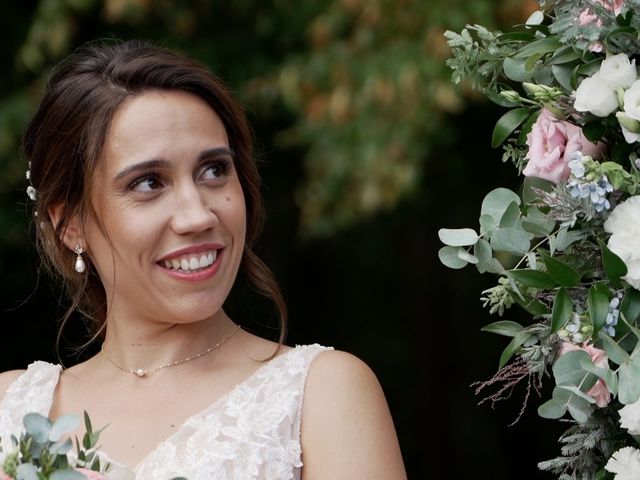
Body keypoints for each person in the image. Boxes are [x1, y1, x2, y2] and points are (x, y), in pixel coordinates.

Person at [0, 40, 406, 479]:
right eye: (148, 182)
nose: (198, 215)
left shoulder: (323, 394)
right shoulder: (10, 412)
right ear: (71, 224)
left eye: (214, 170)